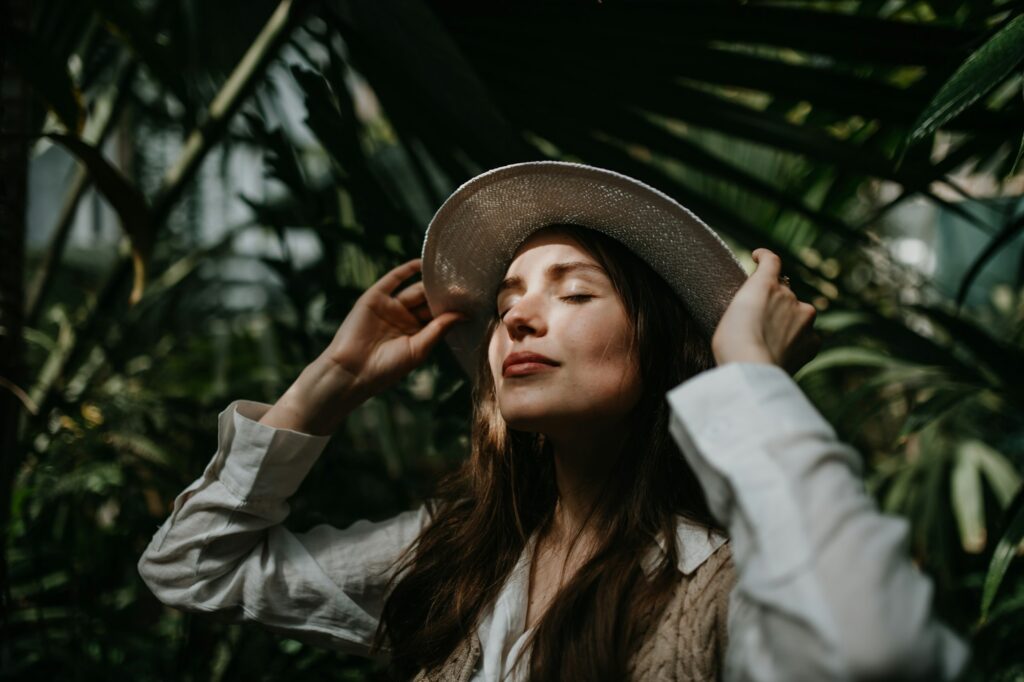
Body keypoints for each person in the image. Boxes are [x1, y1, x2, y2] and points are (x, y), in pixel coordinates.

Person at [138, 162, 969, 681]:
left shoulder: (728, 585)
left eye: (574, 293)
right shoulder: (458, 554)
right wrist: (333, 382)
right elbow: (190, 570)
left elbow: (874, 654)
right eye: (508, 304)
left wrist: (747, 368)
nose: (520, 321)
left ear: (662, 345)